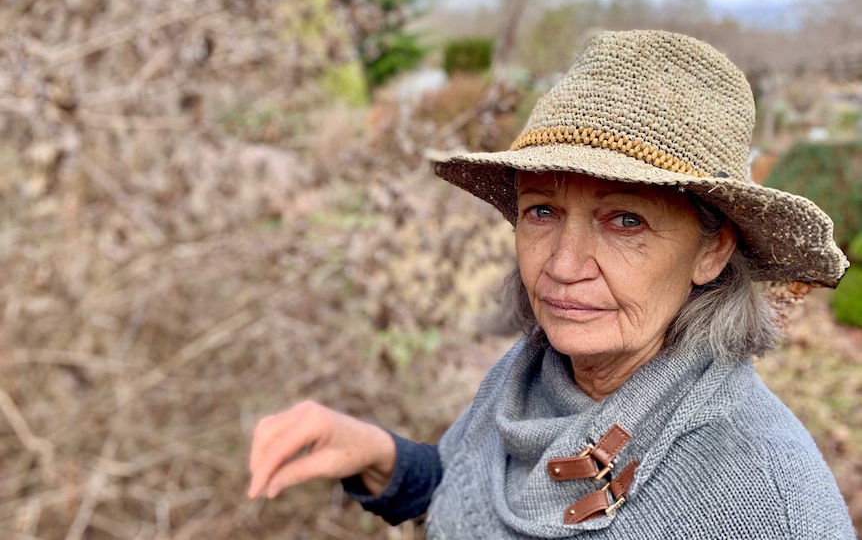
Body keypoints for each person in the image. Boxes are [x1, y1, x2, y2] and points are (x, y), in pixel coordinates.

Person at [246, 30, 855, 538]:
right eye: (542, 211)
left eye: (625, 220)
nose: (563, 265)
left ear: (712, 249)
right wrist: (384, 458)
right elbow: (472, 502)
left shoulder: (763, 503)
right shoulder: (530, 374)